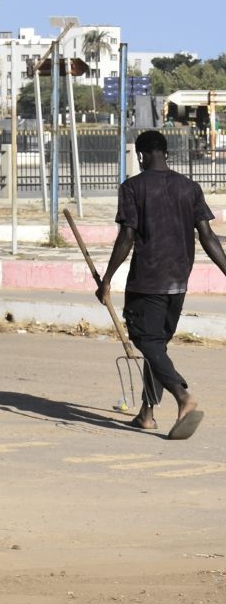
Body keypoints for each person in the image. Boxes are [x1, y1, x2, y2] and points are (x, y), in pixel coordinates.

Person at [95, 129, 226, 439]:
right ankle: (146, 414)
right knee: (158, 348)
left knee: (147, 342)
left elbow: (127, 236)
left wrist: (107, 279)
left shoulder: (132, 188)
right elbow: (207, 236)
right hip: (179, 281)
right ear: (165, 153)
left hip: (147, 283)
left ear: (141, 155)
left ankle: (183, 397)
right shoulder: (190, 187)